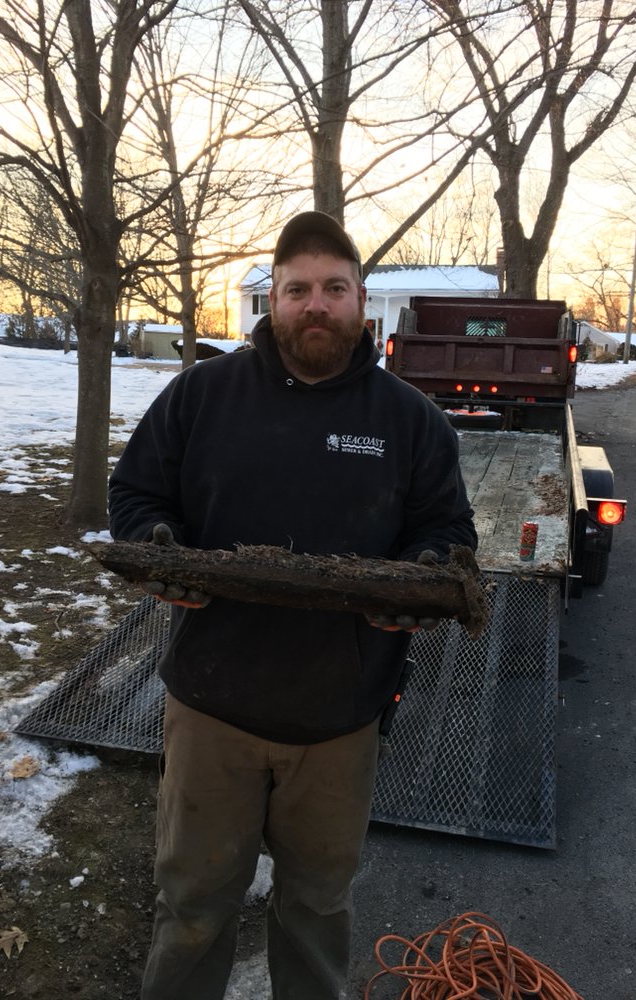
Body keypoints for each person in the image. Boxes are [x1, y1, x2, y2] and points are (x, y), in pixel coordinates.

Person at [108, 211, 477, 1000]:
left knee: (315, 908)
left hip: (340, 719)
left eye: (333, 289)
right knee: (195, 907)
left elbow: (446, 527)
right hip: (212, 706)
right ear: (270, 301)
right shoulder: (201, 396)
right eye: (298, 289)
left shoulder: (409, 419)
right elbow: (136, 492)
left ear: (362, 302)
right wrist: (158, 545)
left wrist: (417, 580)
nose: (317, 305)